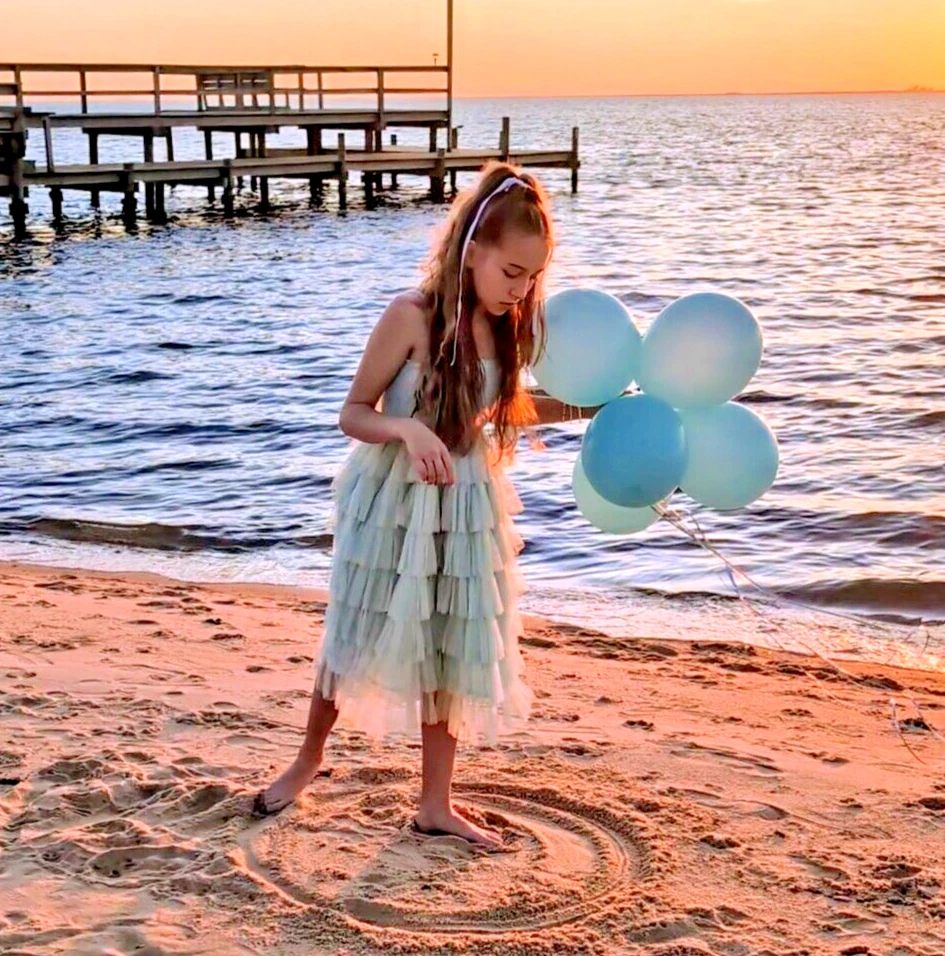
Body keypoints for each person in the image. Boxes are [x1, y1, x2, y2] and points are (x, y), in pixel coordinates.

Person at [253, 160, 589, 848]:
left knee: (449, 643)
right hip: (394, 499)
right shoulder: (410, 317)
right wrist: (406, 429)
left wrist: (593, 407)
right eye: (510, 272)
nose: (520, 289)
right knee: (356, 625)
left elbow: (500, 415)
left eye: (531, 276)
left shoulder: (504, 329)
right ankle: (308, 757)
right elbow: (353, 412)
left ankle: (435, 801)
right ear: (472, 252)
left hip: (465, 505)